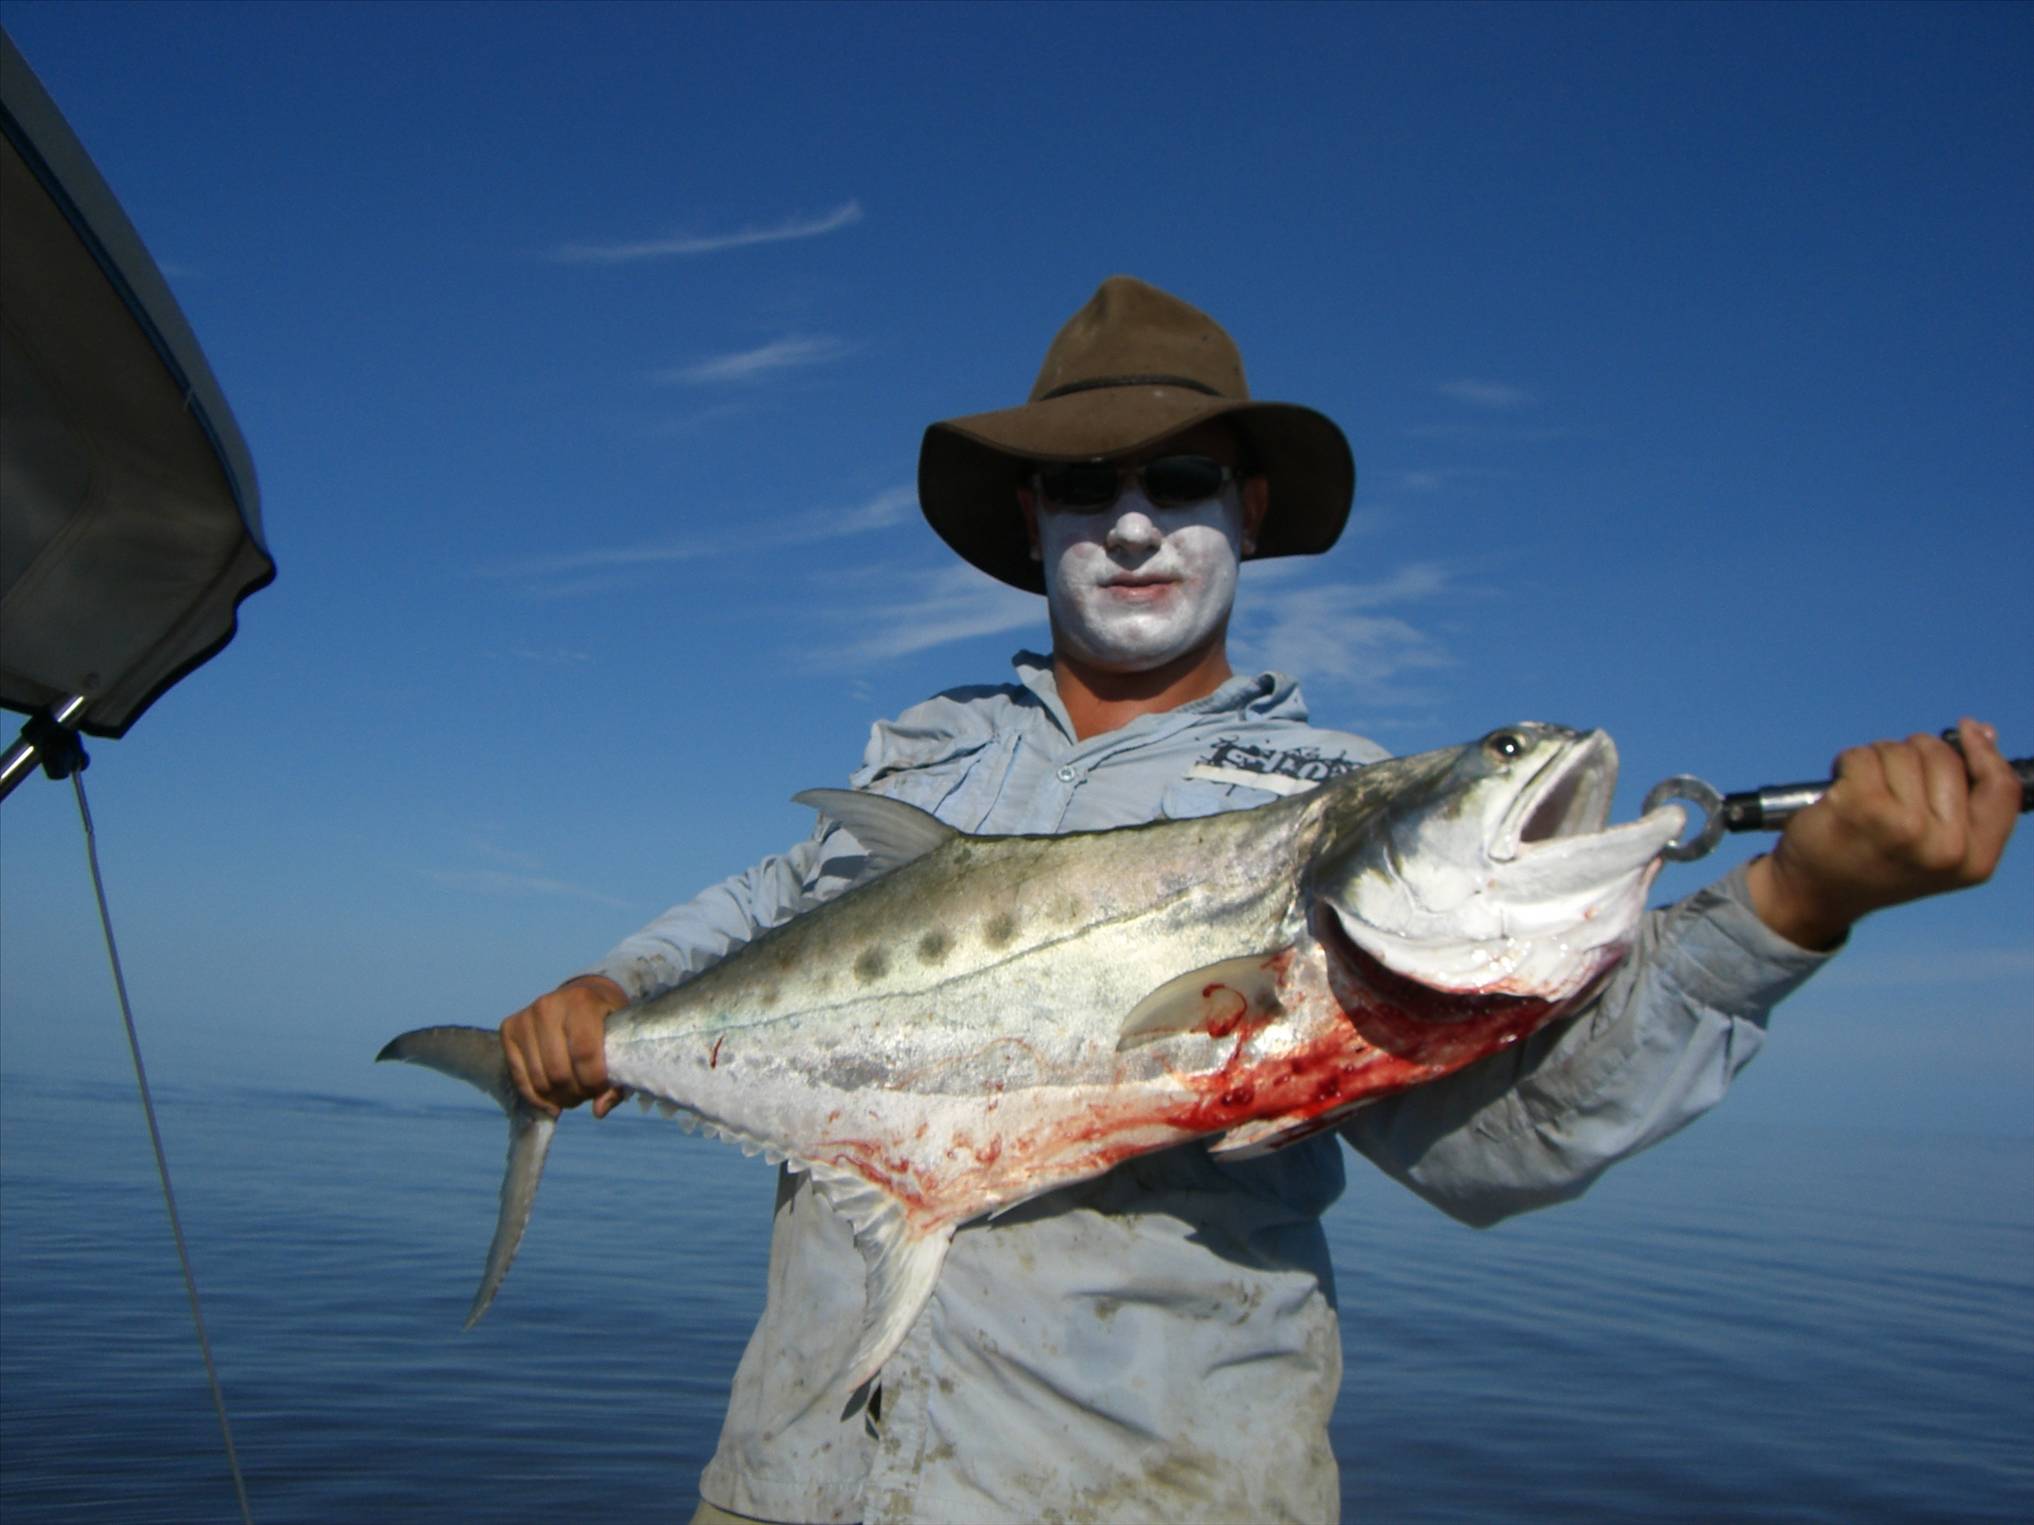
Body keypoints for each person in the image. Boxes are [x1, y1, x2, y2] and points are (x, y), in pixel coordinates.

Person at [499, 276, 2020, 1524]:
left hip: (1133, 1489)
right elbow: (778, 897)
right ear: (1031, 517)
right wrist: (616, 989)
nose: (1132, 527)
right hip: (791, 1474)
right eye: (1086, 488)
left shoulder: (1336, 796)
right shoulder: (929, 749)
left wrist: (1785, 909)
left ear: (1250, 505)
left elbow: (1508, 1142)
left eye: (1179, 483)